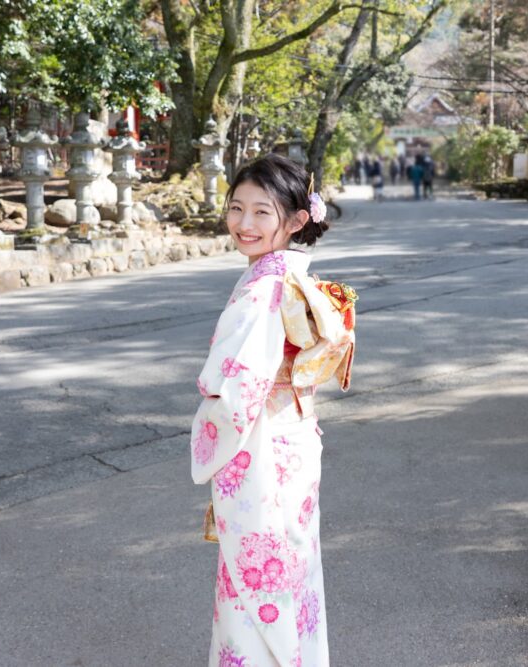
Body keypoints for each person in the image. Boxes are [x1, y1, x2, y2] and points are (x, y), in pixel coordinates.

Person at [191, 154, 356, 667]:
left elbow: (234, 394)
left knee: (256, 586)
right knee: (292, 570)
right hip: (295, 439)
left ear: (297, 220)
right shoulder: (285, 276)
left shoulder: (264, 288)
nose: (244, 223)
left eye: (262, 212)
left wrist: (210, 428)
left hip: (262, 447)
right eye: (236, 208)